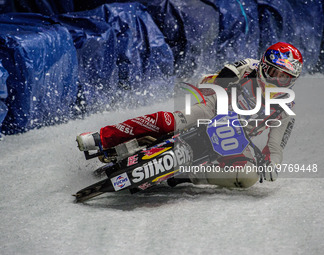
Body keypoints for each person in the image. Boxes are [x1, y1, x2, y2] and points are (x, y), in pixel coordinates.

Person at [76, 42, 303, 188]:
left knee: (248, 176)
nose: (277, 81)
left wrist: (271, 165)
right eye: (275, 72)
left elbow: (275, 147)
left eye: (285, 78)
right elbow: (224, 75)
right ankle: (102, 137)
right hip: (214, 108)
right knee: (168, 120)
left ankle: (188, 176)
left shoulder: (286, 106)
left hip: (237, 138)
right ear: (264, 65)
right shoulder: (249, 65)